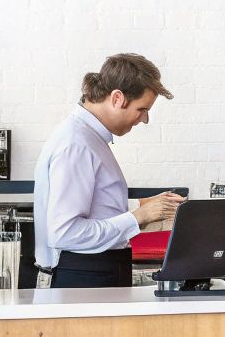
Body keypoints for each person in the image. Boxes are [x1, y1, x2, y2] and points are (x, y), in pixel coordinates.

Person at [33, 53, 186, 289]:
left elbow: (98, 212)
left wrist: (144, 207)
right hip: (85, 275)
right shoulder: (76, 144)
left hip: (96, 270)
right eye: (142, 109)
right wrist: (138, 217)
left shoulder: (88, 138)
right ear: (117, 98)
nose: (144, 119)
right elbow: (65, 233)